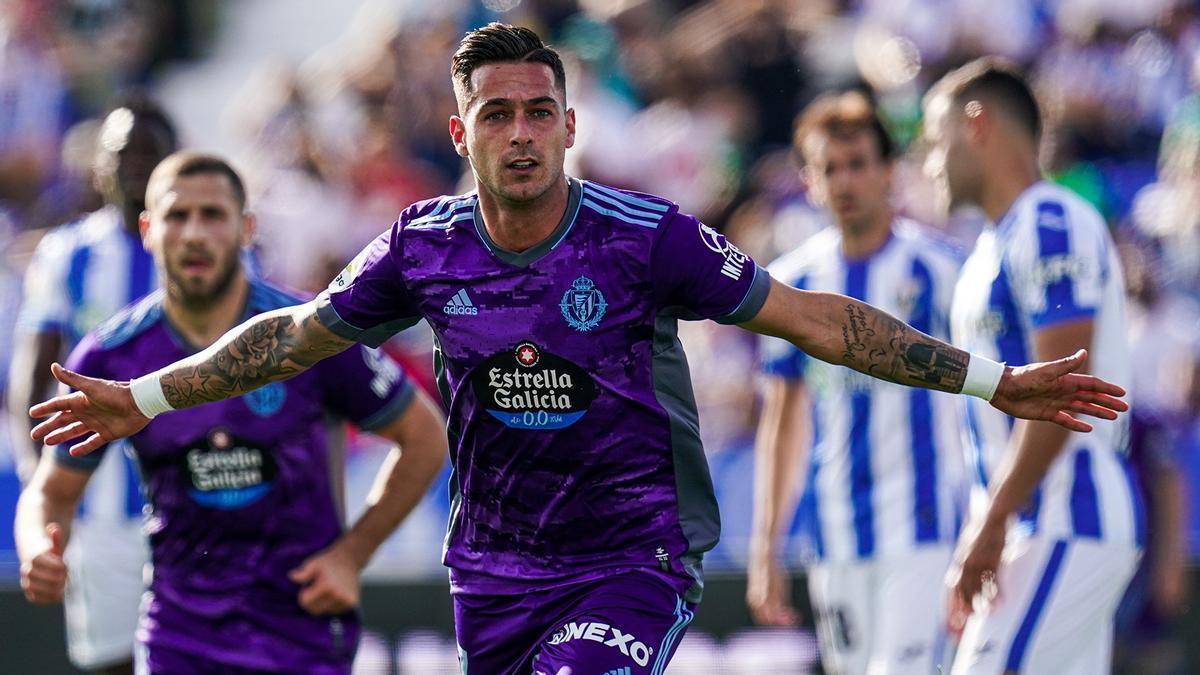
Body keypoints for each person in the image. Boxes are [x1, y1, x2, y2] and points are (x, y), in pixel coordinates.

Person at [28, 25, 1128, 675]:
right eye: (496, 113)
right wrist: (149, 396)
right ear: (460, 132)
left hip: (633, 559)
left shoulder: (645, 239)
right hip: (493, 573)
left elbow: (815, 319)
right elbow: (294, 335)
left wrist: (996, 380)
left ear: (568, 123)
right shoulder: (421, 247)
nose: (520, 131)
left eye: (538, 111)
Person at [15, 152, 447, 674]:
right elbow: (51, 490)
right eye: (178, 216)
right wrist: (40, 547)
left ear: (246, 229)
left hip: (303, 632)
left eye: (213, 215)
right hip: (180, 637)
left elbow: (424, 437)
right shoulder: (111, 358)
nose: (195, 233)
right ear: (148, 229)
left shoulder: (310, 336)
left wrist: (353, 554)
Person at [922, 57, 1144, 674]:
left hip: (1064, 517)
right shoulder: (990, 248)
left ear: (977, 124)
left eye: (935, 141)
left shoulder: (1050, 222)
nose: (930, 163)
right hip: (1035, 521)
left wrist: (989, 523)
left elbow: (1064, 387)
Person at [748, 91, 963, 674]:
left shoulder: (942, 272)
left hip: (927, 530)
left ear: (889, 171)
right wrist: (767, 546)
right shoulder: (793, 284)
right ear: (810, 181)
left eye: (859, 163)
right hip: (836, 537)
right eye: (830, 168)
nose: (845, 181)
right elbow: (782, 419)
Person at [6, 96, 177, 675]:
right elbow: (32, 373)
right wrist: (42, 490)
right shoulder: (66, 253)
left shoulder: (208, 252)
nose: (135, 165)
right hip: (99, 507)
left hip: (191, 500)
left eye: (149, 153)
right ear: (99, 166)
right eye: (123, 153)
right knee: (112, 662)